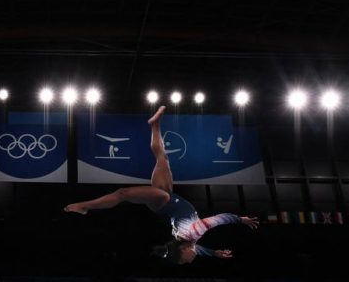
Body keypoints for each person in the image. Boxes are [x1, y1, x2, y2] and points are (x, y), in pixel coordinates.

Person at [65, 106, 258, 264]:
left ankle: (84, 206)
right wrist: (214, 253)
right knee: (162, 158)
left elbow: (220, 218)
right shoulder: (190, 240)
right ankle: (155, 124)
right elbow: (198, 250)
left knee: (123, 193)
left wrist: (240, 219)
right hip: (168, 196)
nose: (190, 261)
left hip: (163, 201)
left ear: (182, 252)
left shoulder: (193, 233)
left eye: (185, 261)